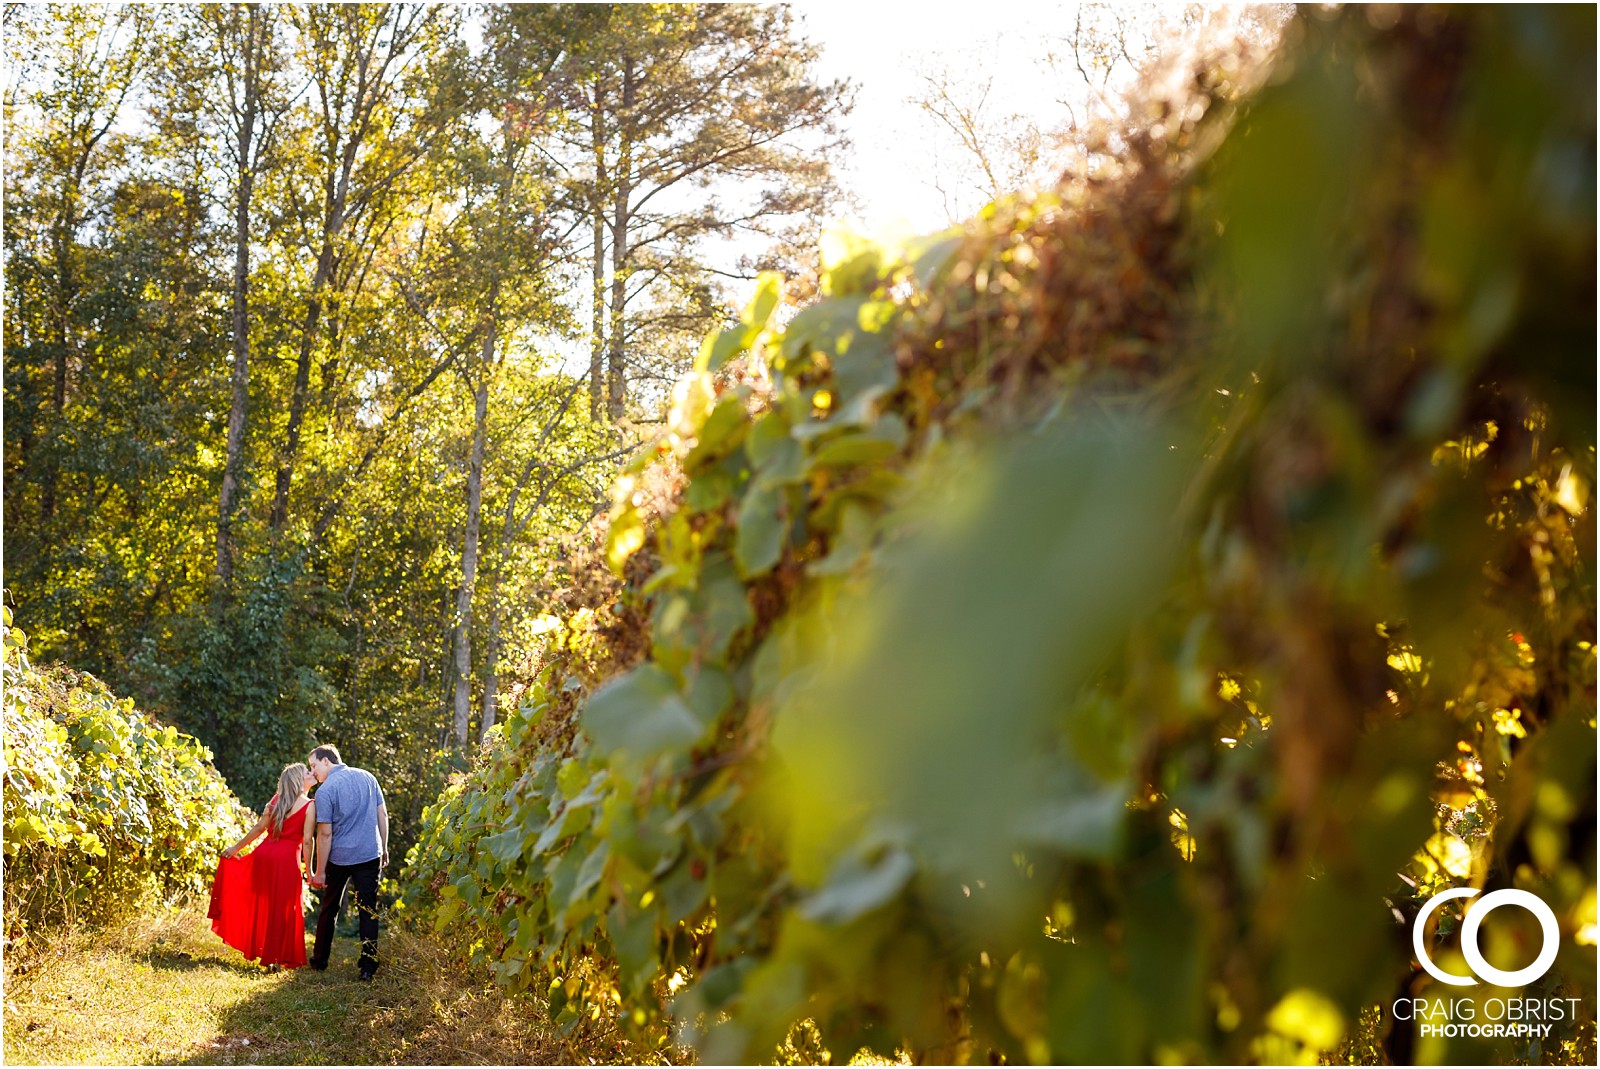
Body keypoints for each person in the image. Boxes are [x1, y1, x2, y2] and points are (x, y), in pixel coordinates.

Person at [208, 762, 316, 969]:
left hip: (264, 854)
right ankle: (274, 957)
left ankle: (268, 954)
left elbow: (259, 828)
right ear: (299, 780)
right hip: (286, 860)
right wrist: (310, 871)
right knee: (283, 908)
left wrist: (235, 848)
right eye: (307, 772)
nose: (311, 774)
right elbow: (308, 841)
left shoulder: (276, 800)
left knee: (266, 905)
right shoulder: (310, 805)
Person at [305, 743, 388, 981]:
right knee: (368, 910)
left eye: (314, 765)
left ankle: (319, 961)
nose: (313, 772)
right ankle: (368, 967)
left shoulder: (326, 790)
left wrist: (320, 871)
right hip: (369, 854)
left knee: (329, 908)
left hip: (339, 858)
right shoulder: (368, 777)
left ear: (326, 761)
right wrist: (384, 846)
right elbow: (382, 814)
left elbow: (325, 834)